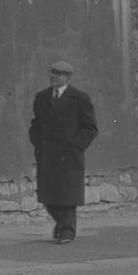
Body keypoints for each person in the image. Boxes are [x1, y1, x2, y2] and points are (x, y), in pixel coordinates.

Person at [28, 60, 98, 244]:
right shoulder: (41, 97)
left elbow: (90, 128)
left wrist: (75, 146)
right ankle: (62, 225)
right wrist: (36, 141)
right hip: (47, 153)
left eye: (58, 73)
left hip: (68, 154)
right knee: (49, 196)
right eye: (52, 72)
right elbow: (36, 122)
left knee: (67, 195)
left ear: (67, 77)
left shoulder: (80, 98)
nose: (53, 76)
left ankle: (67, 231)